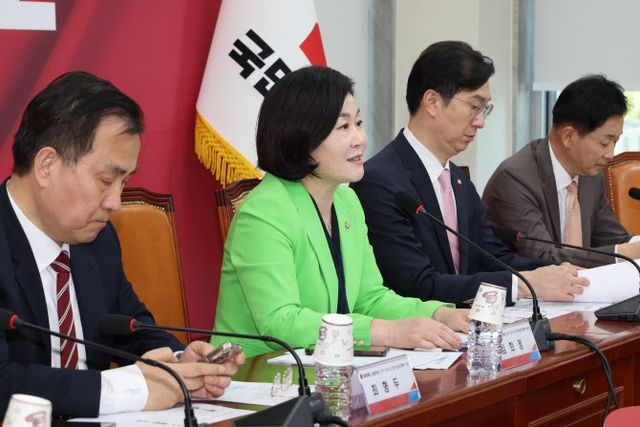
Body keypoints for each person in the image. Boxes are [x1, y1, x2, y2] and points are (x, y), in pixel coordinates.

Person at [0, 71, 243, 418]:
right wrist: (132, 389)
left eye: (124, 182)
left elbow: (130, 326)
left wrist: (180, 364)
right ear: (46, 165)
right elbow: (4, 382)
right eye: (105, 180)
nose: (115, 202)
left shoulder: (97, 241)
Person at [211, 66, 468, 358]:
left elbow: (369, 299)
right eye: (343, 127)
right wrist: (386, 331)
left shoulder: (347, 202)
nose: (360, 139)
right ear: (301, 137)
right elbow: (280, 322)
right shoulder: (263, 213)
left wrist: (439, 314)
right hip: (257, 372)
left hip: (328, 366)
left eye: (358, 123)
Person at [351, 41, 589, 307]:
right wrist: (523, 284)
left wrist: (561, 272)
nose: (480, 121)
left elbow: (494, 257)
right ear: (432, 102)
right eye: (474, 107)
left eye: (484, 109)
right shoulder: (379, 181)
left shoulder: (458, 180)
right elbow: (416, 284)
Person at [483, 75, 640, 268]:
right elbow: (543, 257)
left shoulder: (591, 175)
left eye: (615, 141)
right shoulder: (515, 179)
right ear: (568, 136)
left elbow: (612, 238)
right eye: (604, 142)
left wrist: (634, 246)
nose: (610, 154)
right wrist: (624, 253)